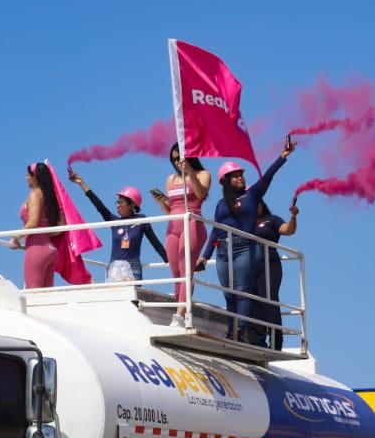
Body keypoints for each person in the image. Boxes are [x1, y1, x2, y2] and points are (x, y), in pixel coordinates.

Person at [196, 135, 296, 343]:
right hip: (223, 251)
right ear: (225, 181)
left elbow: (267, 177)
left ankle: (240, 331)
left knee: (242, 292)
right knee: (229, 294)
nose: (241, 177)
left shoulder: (252, 195)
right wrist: (204, 256)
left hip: (245, 249)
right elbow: (215, 231)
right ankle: (233, 330)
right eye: (235, 175)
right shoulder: (221, 204)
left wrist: (282, 156)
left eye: (241, 174)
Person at [67, 168, 167, 282]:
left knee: (132, 299)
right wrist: (82, 184)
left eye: (121, 202)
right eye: (117, 202)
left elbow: (155, 242)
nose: (118, 205)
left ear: (132, 204)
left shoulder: (141, 220)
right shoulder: (114, 221)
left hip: (132, 267)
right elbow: (99, 205)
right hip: (114, 266)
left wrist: (169, 260)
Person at [154, 144, 211, 327]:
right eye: (174, 159)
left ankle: (179, 314)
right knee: (176, 273)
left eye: (180, 158)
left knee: (186, 269)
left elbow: (201, 194)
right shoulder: (171, 179)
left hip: (192, 222)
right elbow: (169, 209)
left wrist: (191, 173)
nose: (177, 162)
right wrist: (162, 201)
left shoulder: (203, 174)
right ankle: (181, 311)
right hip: (173, 224)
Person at [251, 197, 299, 350]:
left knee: (269, 299)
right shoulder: (246, 223)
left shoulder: (272, 220)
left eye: (255, 202)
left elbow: (288, 230)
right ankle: (258, 340)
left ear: (261, 203)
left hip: (270, 264)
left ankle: (276, 340)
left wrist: (293, 216)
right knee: (254, 300)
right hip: (251, 265)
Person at [19, 162, 64, 289]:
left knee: (33, 295)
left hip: (36, 250)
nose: (26, 177)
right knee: (45, 299)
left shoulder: (35, 194)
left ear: (35, 177)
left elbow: (33, 222)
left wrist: (15, 237)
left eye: (28, 174)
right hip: (51, 251)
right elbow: (60, 227)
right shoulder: (50, 196)